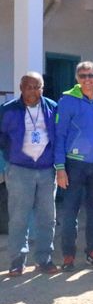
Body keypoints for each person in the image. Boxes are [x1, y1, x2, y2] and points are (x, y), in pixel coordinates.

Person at [55, 61, 93, 271]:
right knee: (70, 211)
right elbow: (59, 135)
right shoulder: (67, 100)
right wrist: (60, 167)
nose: (87, 79)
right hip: (74, 165)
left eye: (91, 75)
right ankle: (68, 255)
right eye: (83, 76)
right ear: (77, 79)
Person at [0, 72, 58, 275]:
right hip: (19, 169)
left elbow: (59, 136)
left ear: (43, 88)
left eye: (38, 87)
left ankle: (44, 259)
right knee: (18, 217)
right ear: (21, 87)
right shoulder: (8, 110)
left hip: (46, 170)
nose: (33, 91)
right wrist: (4, 162)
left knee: (47, 217)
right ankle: (17, 261)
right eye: (29, 87)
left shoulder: (52, 107)